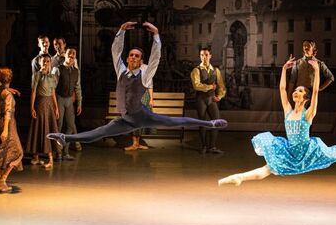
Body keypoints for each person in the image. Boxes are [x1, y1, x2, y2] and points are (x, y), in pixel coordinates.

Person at [47, 21, 227, 147]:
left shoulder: (145, 74)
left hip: (143, 116)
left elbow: (155, 59)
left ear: (141, 61)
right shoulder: (121, 71)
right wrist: (121, 32)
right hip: (126, 120)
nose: (133, 57)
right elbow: (115, 52)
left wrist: (156, 35)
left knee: (176, 121)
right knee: (99, 132)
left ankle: (210, 124)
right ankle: (65, 138)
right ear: (128, 58)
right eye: (131, 55)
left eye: (137, 56)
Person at [218, 55, 336, 186]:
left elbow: (316, 93)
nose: (295, 92)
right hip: (290, 151)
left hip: (307, 152)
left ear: (305, 97)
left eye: (299, 91)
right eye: (295, 90)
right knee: (269, 169)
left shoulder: (308, 114)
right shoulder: (288, 111)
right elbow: (282, 89)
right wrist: (284, 69)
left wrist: (317, 71)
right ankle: (239, 177)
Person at [0, 68, 23, 193]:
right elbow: (8, 112)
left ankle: (0, 181)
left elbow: (0, 90)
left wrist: (8, 89)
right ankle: (2, 179)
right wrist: (5, 130)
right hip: (8, 124)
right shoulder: (7, 94)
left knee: (2, 151)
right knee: (18, 152)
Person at [26, 54, 59, 169]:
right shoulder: (37, 75)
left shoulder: (52, 76)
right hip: (40, 104)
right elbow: (34, 92)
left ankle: (50, 159)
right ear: (40, 63)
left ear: (50, 62)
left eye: (48, 61)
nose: (46, 63)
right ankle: (36, 156)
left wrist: (56, 107)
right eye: (43, 61)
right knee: (38, 129)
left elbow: (53, 92)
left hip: (49, 104)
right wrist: (32, 107)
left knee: (48, 129)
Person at [190, 47, 226, 154]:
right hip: (201, 99)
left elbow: (221, 86)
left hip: (212, 99)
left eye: (206, 54)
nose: (204, 57)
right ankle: (204, 146)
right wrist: (210, 87)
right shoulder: (196, 70)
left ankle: (212, 146)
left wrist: (219, 96)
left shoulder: (216, 70)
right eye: (201, 55)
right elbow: (196, 85)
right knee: (203, 122)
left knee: (216, 122)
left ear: (210, 56)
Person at [55, 48, 82, 160]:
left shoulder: (76, 71)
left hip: (69, 101)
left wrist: (80, 103)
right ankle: (58, 153)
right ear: (65, 55)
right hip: (59, 98)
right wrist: (54, 105)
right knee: (59, 125)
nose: (71, 55)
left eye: (73, 54)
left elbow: (78, 87)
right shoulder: (58, 69)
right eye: (69, 53)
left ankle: (65, 151)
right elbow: (53, 88)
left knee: (71, 126)